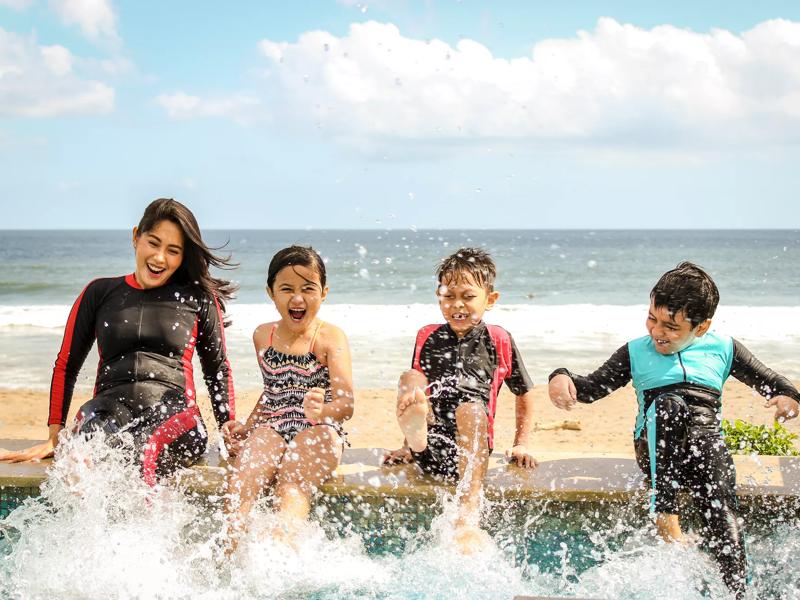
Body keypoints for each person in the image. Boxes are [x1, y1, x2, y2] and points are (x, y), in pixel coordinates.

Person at [548, 261, 800, 598]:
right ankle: (666, 515)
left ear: (702, 327)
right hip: (656, 447)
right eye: (652, 318)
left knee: (721, 499)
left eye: (671, 326)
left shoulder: (723, 348)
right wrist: (561, 375)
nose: (657, 332)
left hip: (705, 448)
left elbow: (770, 380)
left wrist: (788, 397)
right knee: (670, 405)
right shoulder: (636, 351)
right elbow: (592, 388)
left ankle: (737, 589)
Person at [0, 198, 238, 486]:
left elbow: (217, 370)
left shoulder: (197, 299)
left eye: (173, 251)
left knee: (142, 455)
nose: (160, 257)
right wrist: (55, 434)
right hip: (106, 409)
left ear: (182, 257)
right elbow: (67, 365)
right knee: (79, 457)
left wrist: (227, 428)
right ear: (136, 236)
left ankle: (146, 532)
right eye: (153, 242)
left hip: (176, 415)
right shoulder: (99, 292)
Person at [384, 247, 537, 554]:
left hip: (472, 454)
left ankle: (468, 510)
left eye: (467, 296)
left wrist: (521, 442)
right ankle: (413, 441)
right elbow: (417, 397)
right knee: (410, 380)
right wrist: (405, 445)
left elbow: (524, 392)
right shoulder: (427, 335)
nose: (457, 305)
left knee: (469, 408)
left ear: (490, 300)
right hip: (430, 447)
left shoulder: (498, 338)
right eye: (448, 295)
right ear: (438, 296)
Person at [222, 245, 354, 548]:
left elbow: (347, 405)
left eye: (308, 289)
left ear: (324, 293)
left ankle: (283, 551)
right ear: (271, 292)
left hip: (321, 430)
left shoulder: (330, 338)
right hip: (274, 426)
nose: (297, 298)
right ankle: (231, 555)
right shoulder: (262, 336)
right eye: (286, 289)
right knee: (243, 479)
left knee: (291, 483)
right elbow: (272, 392)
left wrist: (322, 412)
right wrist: (249, 425)